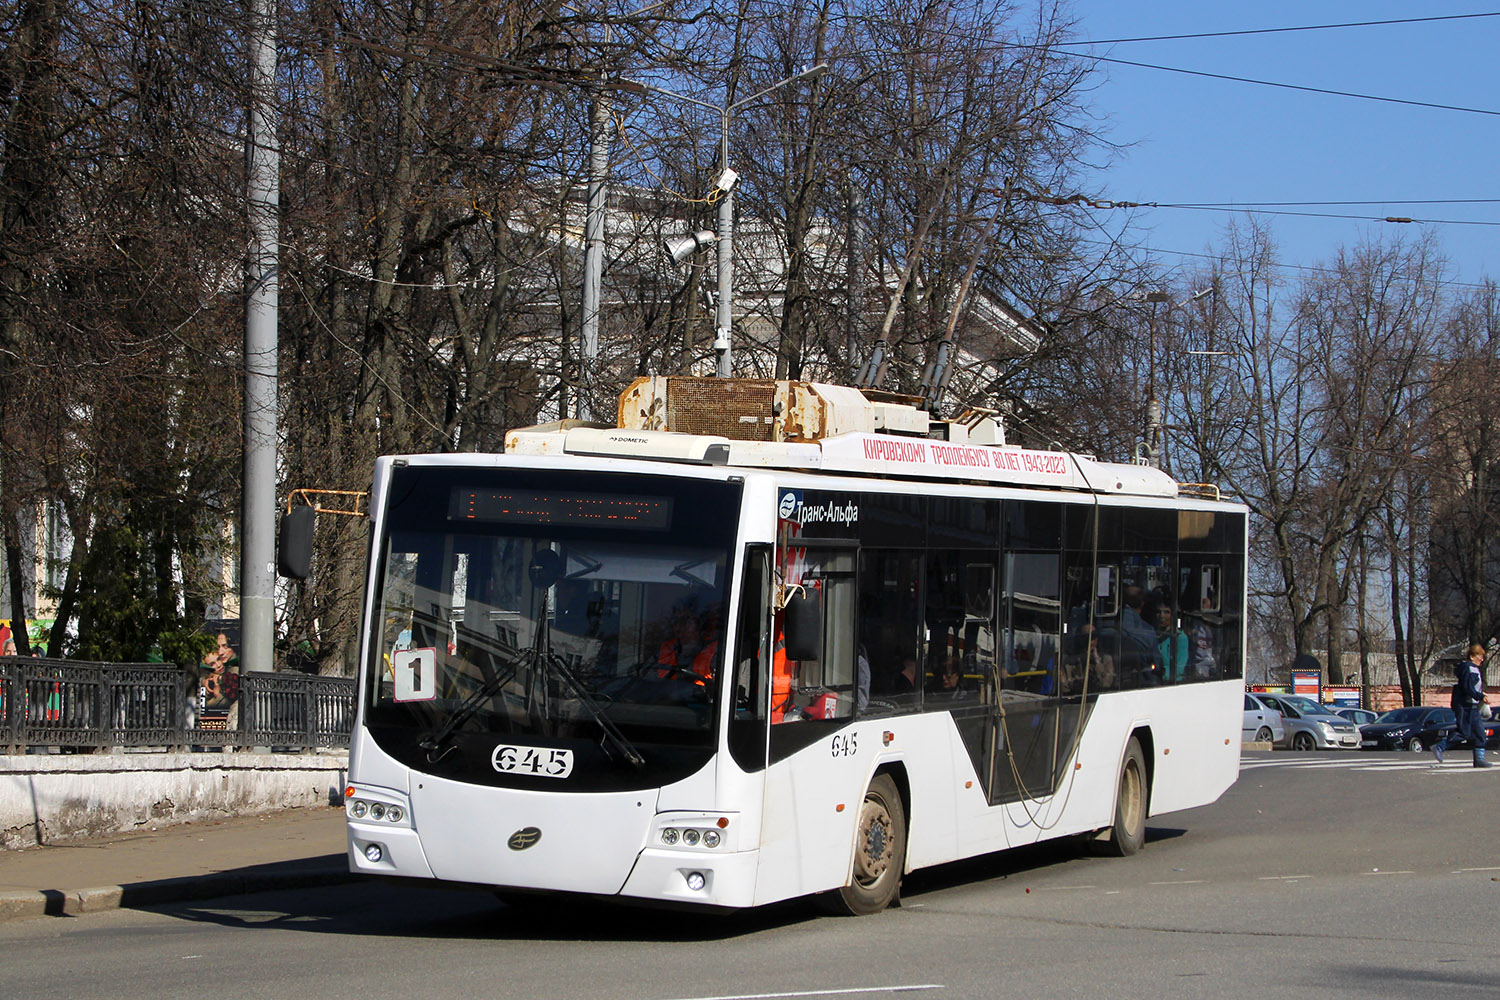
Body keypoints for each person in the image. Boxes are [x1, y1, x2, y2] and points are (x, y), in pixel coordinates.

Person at [1432, 645, 1491, 766]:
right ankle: (1440, 747)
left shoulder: (1474, 669)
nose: (1482, 659)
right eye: (1480, 656)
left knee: (1480, 733)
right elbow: (1467, 687)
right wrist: (1480, 696)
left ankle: (1479, 760)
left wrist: (1480, 694)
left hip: (1472, 706)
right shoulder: (1468, 668)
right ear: (1472, 656)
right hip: (1465, 706)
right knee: (1464, 732)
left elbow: (1472, 687)